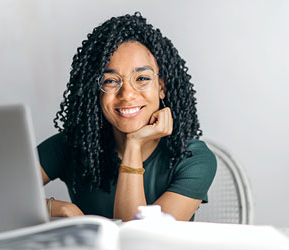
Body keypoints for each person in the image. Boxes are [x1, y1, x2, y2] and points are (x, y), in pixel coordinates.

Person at [38, 12, 217, 222]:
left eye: (141, 78)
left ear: (162, 87)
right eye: (110, 81)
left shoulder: (193, 159)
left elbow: (139, 240)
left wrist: (134, 144)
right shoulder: (72, 145)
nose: (127, 94)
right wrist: (59, 208)